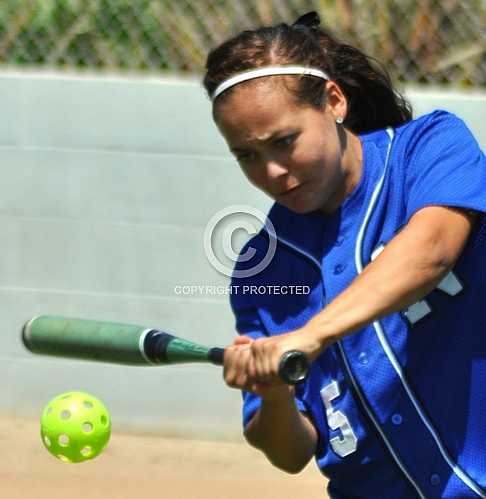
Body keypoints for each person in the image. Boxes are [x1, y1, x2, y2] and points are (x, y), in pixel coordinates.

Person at [203, 11, 486, 499]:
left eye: (284, 142)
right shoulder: (263, 266)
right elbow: (290, 453)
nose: (271, 171)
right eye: (246, 155)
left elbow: (431, 253)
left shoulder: (427, 149)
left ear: (333, 101)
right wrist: (273, 392)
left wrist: (309, 337)